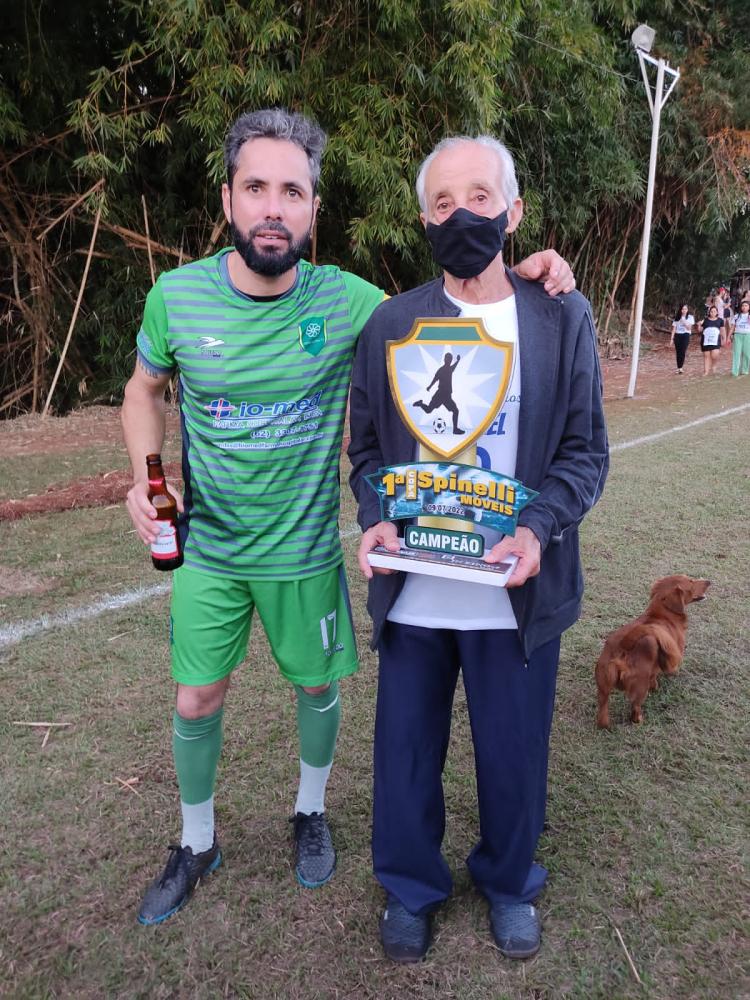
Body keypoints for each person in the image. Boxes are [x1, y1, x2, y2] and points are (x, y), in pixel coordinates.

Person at [122, 107, 577, 926]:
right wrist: (146, 477)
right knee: (199, 700)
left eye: (291, 192)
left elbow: (467, 300)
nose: (272, 208)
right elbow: (144, 390)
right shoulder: (180, 297)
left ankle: (316, 814)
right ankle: (198, 842)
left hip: (314, 555)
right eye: (255, 188)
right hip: (220, 552)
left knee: (321, 688)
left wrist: (530, 269)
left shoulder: (354, 302)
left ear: (313, 209)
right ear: (227, 198)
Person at [349, 135, 608, 963]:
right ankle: (410, 886)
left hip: (515, 588)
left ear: (514, 211)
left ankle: (508, 881)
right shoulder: (393, 323)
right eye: (442, 202)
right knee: (405, 754)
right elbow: (367, 450)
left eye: (480, 197)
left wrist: (536, 528)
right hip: (417, 587)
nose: (462, 214)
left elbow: (584, 452)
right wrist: (375, 516)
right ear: (425, 221)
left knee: (513, 757)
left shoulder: (560, 316)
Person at [697, 304, 724, 375]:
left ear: (717, 312)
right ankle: (706, 372)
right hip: (706, 341)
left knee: (715, 355)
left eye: (714, 311)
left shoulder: (720, 320)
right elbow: (700, 330)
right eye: (711, 311)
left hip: (716, 341)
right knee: (706, 356)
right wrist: (699, 325)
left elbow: (722, 330)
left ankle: (714, 365)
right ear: (709, 312)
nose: (713, 313)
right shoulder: (705, 320)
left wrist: (723, 338)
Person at [670, 303, 694, 373]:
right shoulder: (677, 317)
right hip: (678, 335)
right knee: (678, 352)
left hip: (686, 335)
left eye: (685, 309)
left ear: (687, 310)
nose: (684, 310)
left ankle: (681, 367)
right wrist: (672, 339)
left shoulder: (690, 317)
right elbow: (674, 329)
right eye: (683, 309)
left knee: (683, 351)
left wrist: (684, 321)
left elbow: (689, 328)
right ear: (680, 310)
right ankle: (679, 368)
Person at [730, 299, 750, 376]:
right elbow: (732, 327)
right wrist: (729, 336)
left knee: (747, 354)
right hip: (737, 335)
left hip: (747, 335)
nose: (744, 307)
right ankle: (735, 372)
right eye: (743, 306)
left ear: (749, 307)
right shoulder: (736, 316)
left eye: (746, 305)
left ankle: (745, 370)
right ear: (741, 307)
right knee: (736, 353)